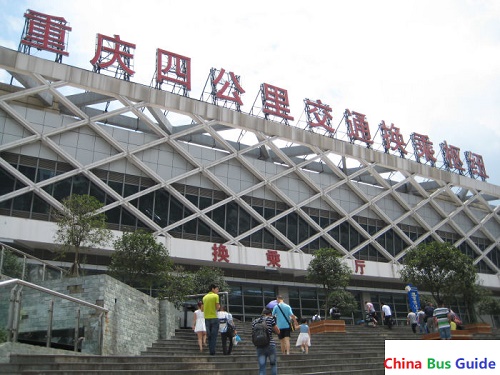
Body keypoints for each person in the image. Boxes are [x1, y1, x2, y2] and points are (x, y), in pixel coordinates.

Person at [252, 308, 280, 375]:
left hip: (259, 346)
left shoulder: (255, 321)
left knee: (262, 366)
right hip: (270, 345)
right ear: (270, 314)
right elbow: (278, 331)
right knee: (273, 364)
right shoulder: (270, 319)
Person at [202, 283, 220, 355]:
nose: (218, 291)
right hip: (214, 317)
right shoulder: (216, 296)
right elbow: (217, 307)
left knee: (209, 335)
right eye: (217, 289)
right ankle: (212, 351)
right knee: (214, 335)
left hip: (206, 318)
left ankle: (211, 351)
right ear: (213, 289)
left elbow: (202, 309)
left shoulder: (204, 297)